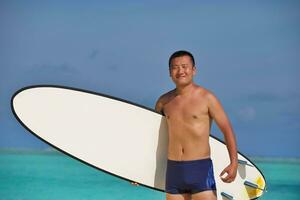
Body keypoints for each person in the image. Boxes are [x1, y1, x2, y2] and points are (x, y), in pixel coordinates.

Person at [155, 50, 238, 200]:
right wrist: (139, 170)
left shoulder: (207, 98)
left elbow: (227, 129)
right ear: (169, 72)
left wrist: (234, 162)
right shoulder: (163, 102)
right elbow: (156, 137)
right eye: (175, 67)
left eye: (185, 66)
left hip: (200, 169)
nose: (180, 71)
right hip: (173, 171)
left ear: (194, 70)